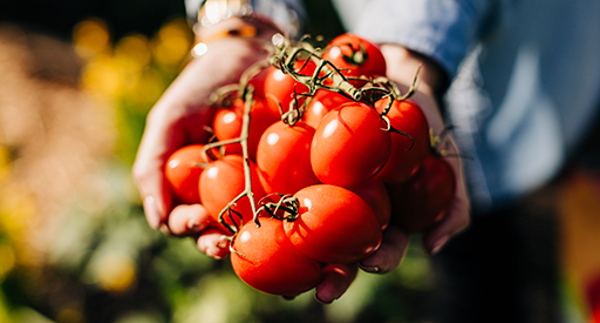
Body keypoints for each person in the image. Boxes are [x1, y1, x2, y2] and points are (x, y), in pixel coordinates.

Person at [133, 0, 600, 319]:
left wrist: (408, 45)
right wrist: (241, 23)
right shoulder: (322, 126)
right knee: (484, 287)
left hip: (562, 76)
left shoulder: (332, 124)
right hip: (450, 133)